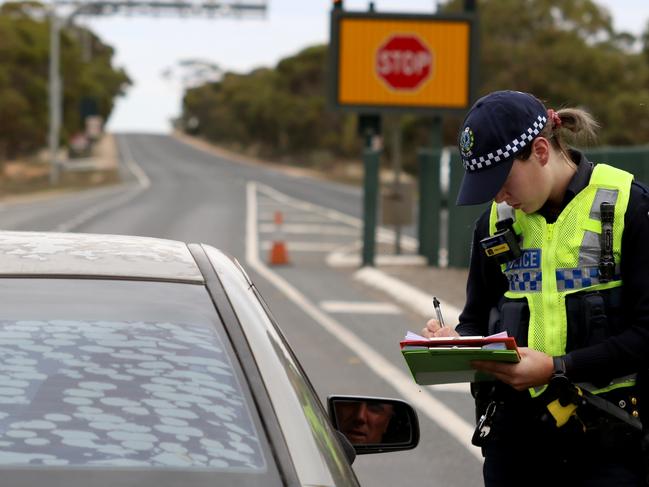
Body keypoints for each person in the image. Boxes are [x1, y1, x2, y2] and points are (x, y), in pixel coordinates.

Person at [422, 90, 649, 486]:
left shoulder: (631, 206)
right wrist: (455, 343)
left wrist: (558, 368)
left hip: (609, 442)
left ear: (541, 151)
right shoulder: (493, 224)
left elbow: (647, 334)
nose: (498, 197)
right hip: (516, 446)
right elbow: (476, 317)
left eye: (502, 181)